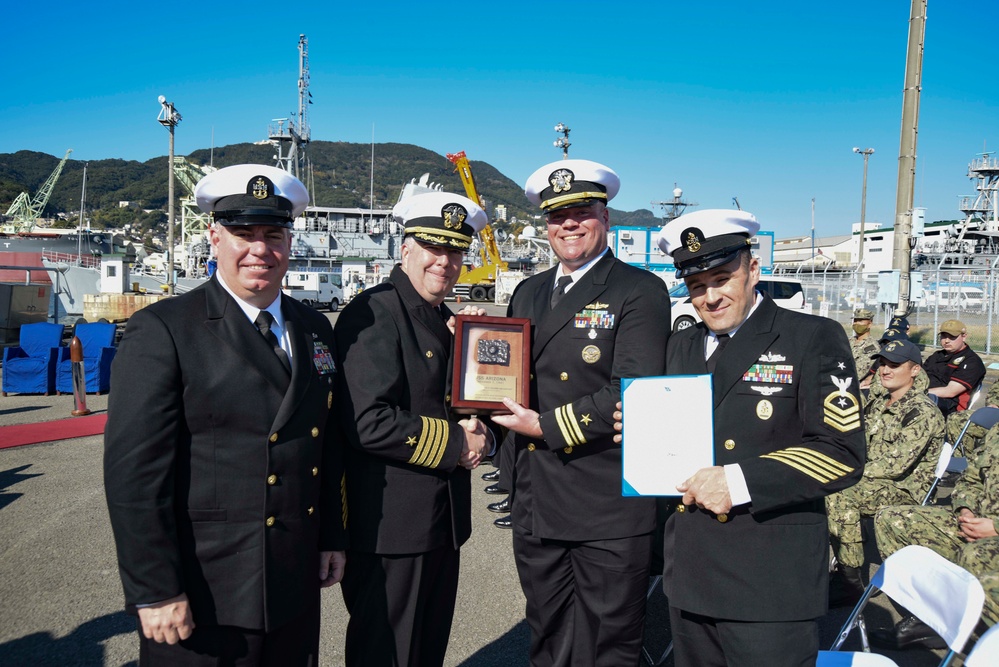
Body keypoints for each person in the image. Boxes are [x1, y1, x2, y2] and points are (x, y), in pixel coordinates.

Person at [104, 164, 347, 666]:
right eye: (243, 234)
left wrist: (329, 538)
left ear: (289, 241)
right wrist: (154, 589)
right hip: (204, 589)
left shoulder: (314, 327)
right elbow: (135, 474)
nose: (260, 249)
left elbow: (324, 447)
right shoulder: (166, 330)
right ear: (214, 238)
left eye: (273, 234)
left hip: (292, 578)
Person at [654, 209, 866, 666]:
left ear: (753, 269)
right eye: (695, 285)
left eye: (721, 278)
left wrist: (739, 481)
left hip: (769, 580)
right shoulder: (680, 346)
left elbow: (842, 452)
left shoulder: (811, 337)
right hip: (691, 570)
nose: (710, 297)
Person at [492, 159, 671, 666]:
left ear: (605, 216)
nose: (569, 224)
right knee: (547, 634)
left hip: (605, 504)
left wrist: (544, 426)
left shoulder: (638, 291)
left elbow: (632, 392)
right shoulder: (528, 291)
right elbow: (505, 379)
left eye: (581, 211)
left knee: (608, 642)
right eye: (557, 215)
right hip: (537, 500)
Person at [333, 190, 494, 667]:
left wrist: (483, 424)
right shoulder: (374, 312)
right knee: (387, 654)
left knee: (425, 652)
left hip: (440, 525)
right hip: (390, 531)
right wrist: (458, 442)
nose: (444, 262)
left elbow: (455, 404)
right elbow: (368, 421)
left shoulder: (445, 319)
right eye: (433, 247)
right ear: (405, 249)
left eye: (455, 250)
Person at [825, 339, 944, 607]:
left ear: (914, 370)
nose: (885, 370)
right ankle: (835, 565)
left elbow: (894, 466)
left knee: (841, 493)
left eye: (895, 365)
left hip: (905, 490)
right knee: (821, 483)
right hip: (871, 481)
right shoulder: (879, 403)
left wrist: (846, 473)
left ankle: (850, 582)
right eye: (883, 364)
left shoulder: (922, 411)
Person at [874, 397, 999, 650]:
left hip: (991, 535)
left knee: (974, 556)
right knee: (893, 520)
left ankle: (976, 639)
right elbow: (971, 478)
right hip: (973, 523)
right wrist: (965, 510)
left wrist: (995, 527)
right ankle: (929, 617)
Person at [925, 319, 986, 416]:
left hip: (951, 409)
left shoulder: (972, 361)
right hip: (928, 399)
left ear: (964, 337)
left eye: (952, 337)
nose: (947, 341)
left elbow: (950, 391)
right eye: (944, 336)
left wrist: (920, 393)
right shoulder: (936, 356)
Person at [850, 308, 880, 382]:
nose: (856, 323)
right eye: (855, 321)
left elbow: (859, 373)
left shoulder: (872, 347)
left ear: (869, 324)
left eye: (860, 321)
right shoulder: (849, 341)